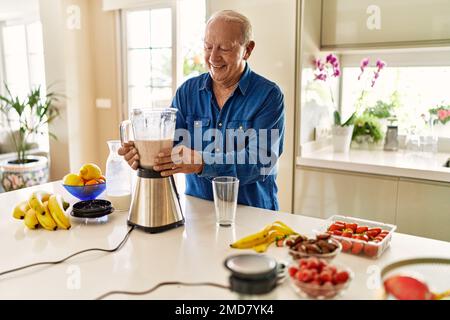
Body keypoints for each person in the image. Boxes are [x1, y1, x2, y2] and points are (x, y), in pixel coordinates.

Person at [119, 10, 285, 210]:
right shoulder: (187, 92)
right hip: (199, 213)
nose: (213, 57)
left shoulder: (268, 96)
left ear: (247, 50)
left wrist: (202, 162)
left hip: (254, 214)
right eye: (208, 46)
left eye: (224, 48)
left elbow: (260, 162)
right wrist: (141, 155)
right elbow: (169, 150)